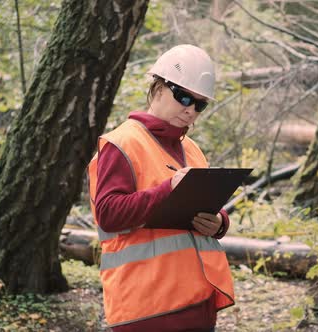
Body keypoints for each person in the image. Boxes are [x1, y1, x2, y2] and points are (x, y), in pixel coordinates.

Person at [88, 44, 234, 331]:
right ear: (158, 89)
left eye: (200, 104)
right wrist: (168, 190)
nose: (191, 110)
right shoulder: (122, 143)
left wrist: (218, 223)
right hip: (147, 308)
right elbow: (107, 214)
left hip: (198, 301)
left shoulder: (191, 150)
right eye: (183, 97)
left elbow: (206, 208)